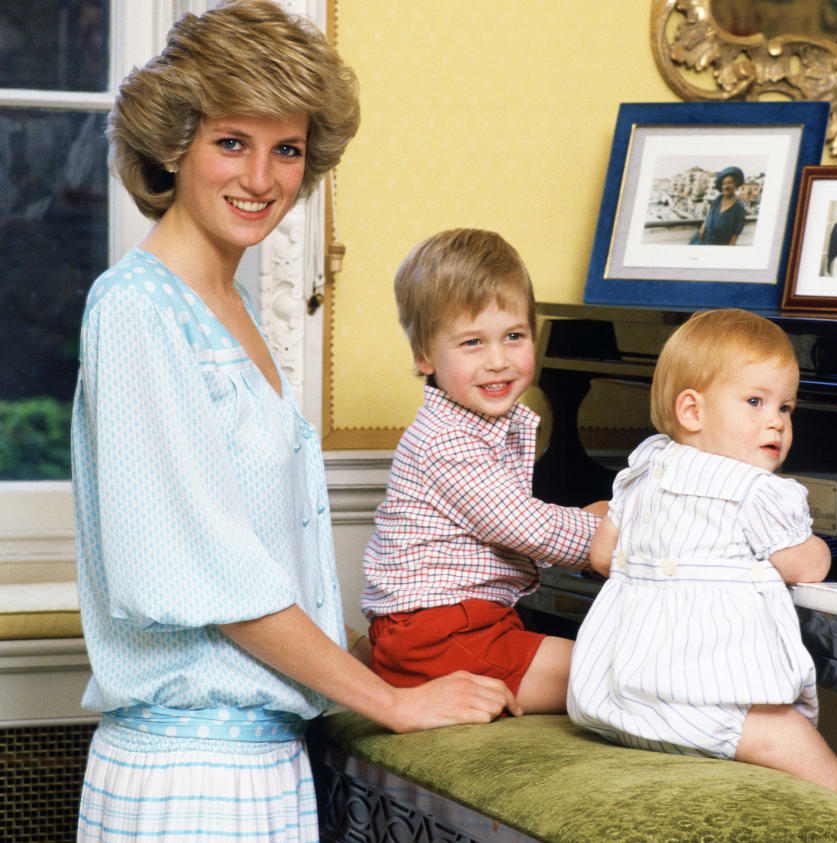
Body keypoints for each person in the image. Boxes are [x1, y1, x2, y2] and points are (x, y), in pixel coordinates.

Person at [72, 4, 517, 839]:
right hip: (191, 781)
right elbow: (211, 580)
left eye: (287, 149)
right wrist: (392, 700)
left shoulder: (230, 305)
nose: (262, 178)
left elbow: (264, 551)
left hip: (266, 763)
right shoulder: (135, 309)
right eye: (232, 141)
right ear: (176, 144)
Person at [567, 308, 837, 795]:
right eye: (755, 401)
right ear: (693, 411)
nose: (776, 423)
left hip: (618, 698)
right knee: (834, 783)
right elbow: (807, 566)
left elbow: (600, 556)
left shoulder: (644, 469)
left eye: (785, 408)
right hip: (713, 706)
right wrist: (820, 546)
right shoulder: (758, 492)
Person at [362, 228, 606, 715]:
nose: (498, 361)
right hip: (438, 634)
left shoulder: (481, 424)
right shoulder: (446, 440)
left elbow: (518, 524)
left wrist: (587, 523)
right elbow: (523, 525)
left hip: (468, 624)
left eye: (514, 336)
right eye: (472, 342)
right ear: (424, 356)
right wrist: (603, 533)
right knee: (614, 674)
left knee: (611, 666)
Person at [690, 166, 747, 245]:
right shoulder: (718, 199)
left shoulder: (739, 207)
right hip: (702, 239)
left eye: (730, 183)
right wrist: (702, 229)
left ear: (736, 184)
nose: (726, 186)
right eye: (724, 184)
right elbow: (709, 215)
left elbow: (735, 234)